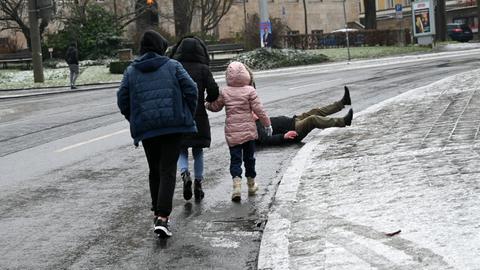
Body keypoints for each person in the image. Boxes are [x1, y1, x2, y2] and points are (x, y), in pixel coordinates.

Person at [117, 30, 198, 238]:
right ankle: (163, 218)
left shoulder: (131, 71)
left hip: (148, 130)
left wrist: (135, 118)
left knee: (154, 170)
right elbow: (192, 89)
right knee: (168, 170)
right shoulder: (173, 66)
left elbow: (122, 100)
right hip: (173, 127)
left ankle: (157, 212)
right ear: (161, 47)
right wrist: (186, 112)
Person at [206, 61, 272, 202]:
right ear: (245, 75)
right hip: (248, 132)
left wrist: (206, 104)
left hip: (232, 132)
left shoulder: (225, 92)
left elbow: (216, 107)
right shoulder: (250, 91)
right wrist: (267, 124)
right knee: (249, 158)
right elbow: (259, 110)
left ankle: (236, 186)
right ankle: (251, 184)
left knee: (235, 160)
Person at [169, 36, 219, 201]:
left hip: (179, 116)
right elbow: (213, 90)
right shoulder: (203, 69)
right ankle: (198, 182)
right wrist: (207, 100)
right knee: (198, 151)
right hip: (199, 116)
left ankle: (184, 174)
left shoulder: (174, 67)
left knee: (180, 149)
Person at [255, 86, 353, 146]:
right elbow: (265, 140)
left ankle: (343, 102)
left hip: (294, 120)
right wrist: (284, 136)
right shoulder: (254, 127)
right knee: (312, 119)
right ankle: (344, 121)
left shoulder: (258, 120)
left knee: (315, 111)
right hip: (294, 131)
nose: (254, 112)